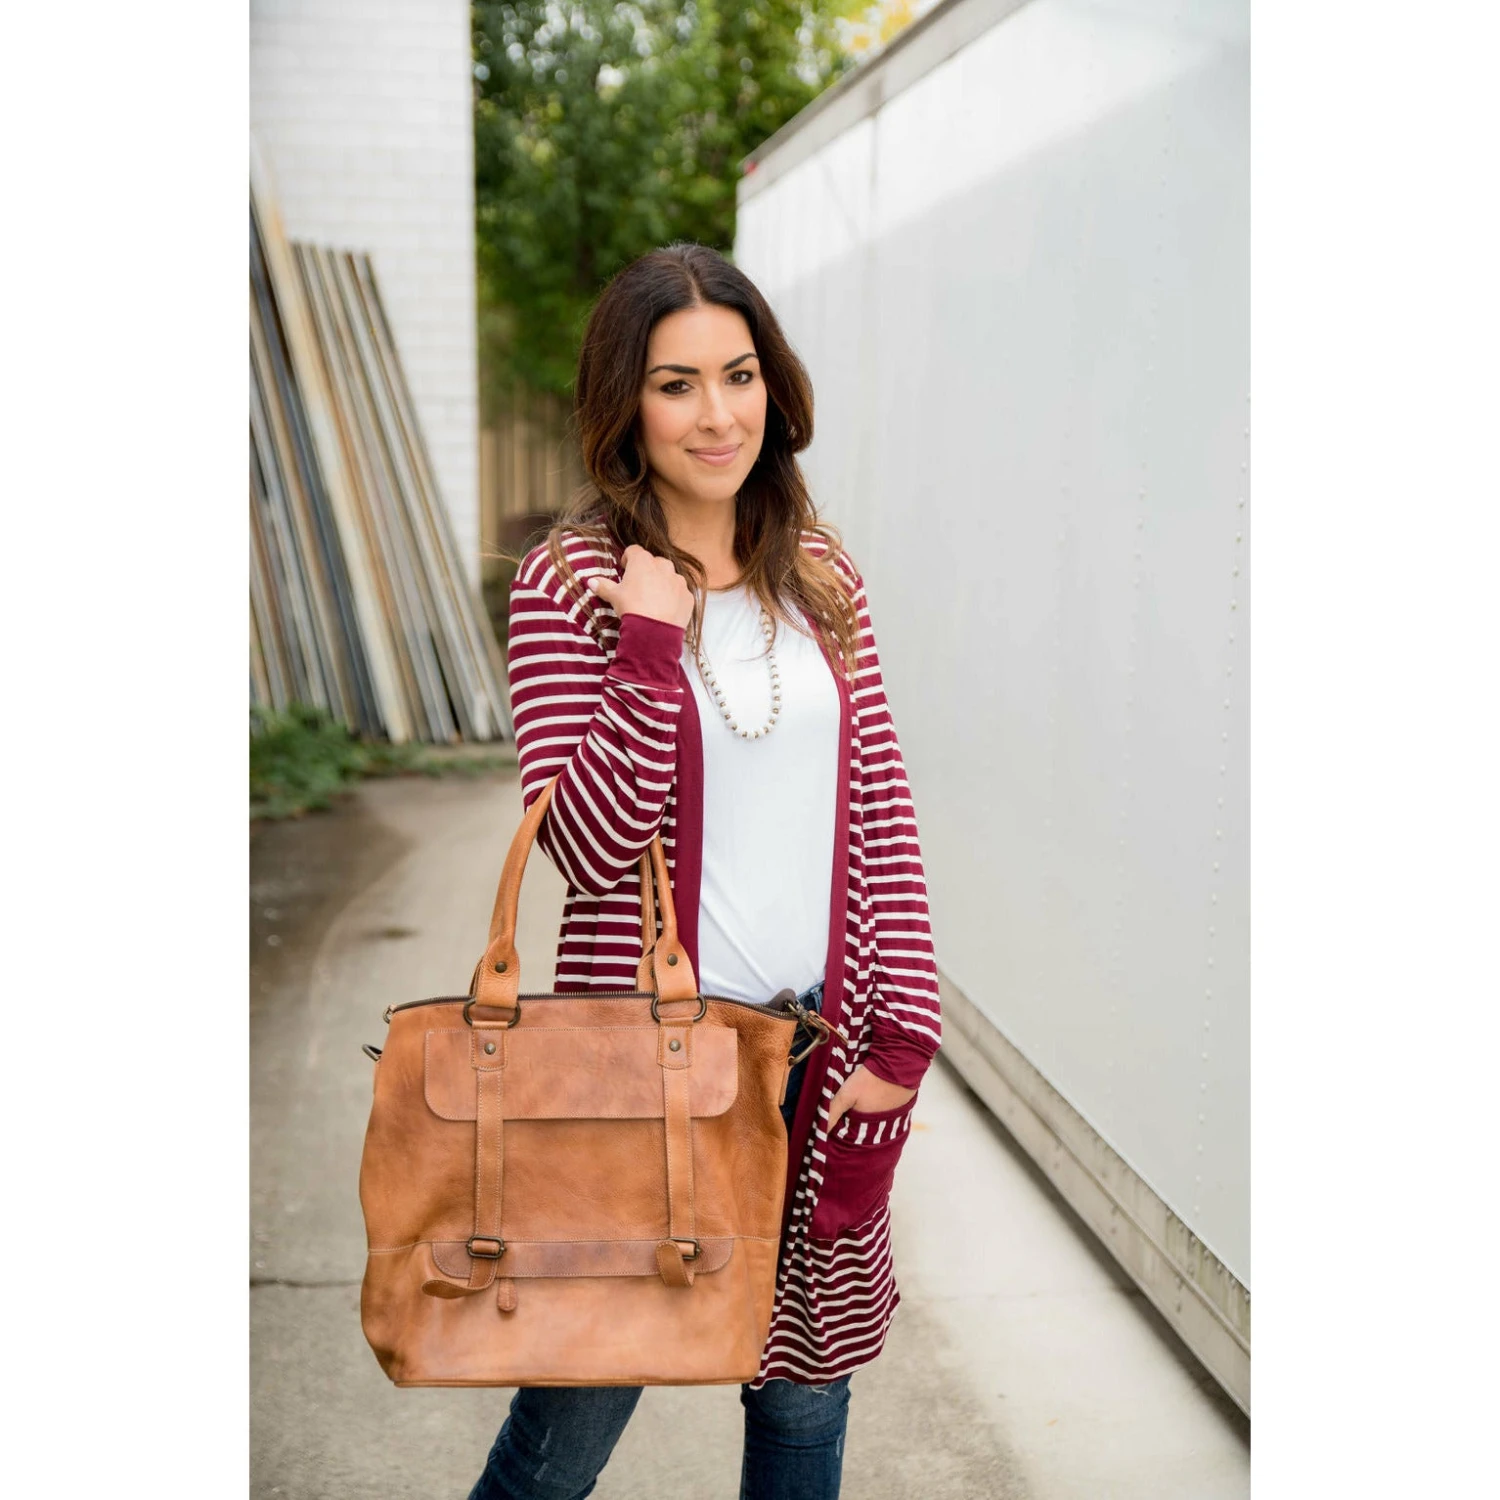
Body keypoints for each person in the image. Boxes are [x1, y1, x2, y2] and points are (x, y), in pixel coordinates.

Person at [470, 242, 941, 1500]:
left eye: (738, 375)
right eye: (676, 384)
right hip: (646, 1070)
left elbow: (882, 813)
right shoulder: (569, 584)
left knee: (805, 1396)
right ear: (625, 404)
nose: (717, 414)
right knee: (572, 1417)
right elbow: (585, 846)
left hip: (823, 1053)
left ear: (772, 386)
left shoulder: (823, 574)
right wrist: (646, 643)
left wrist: (905, 1035)